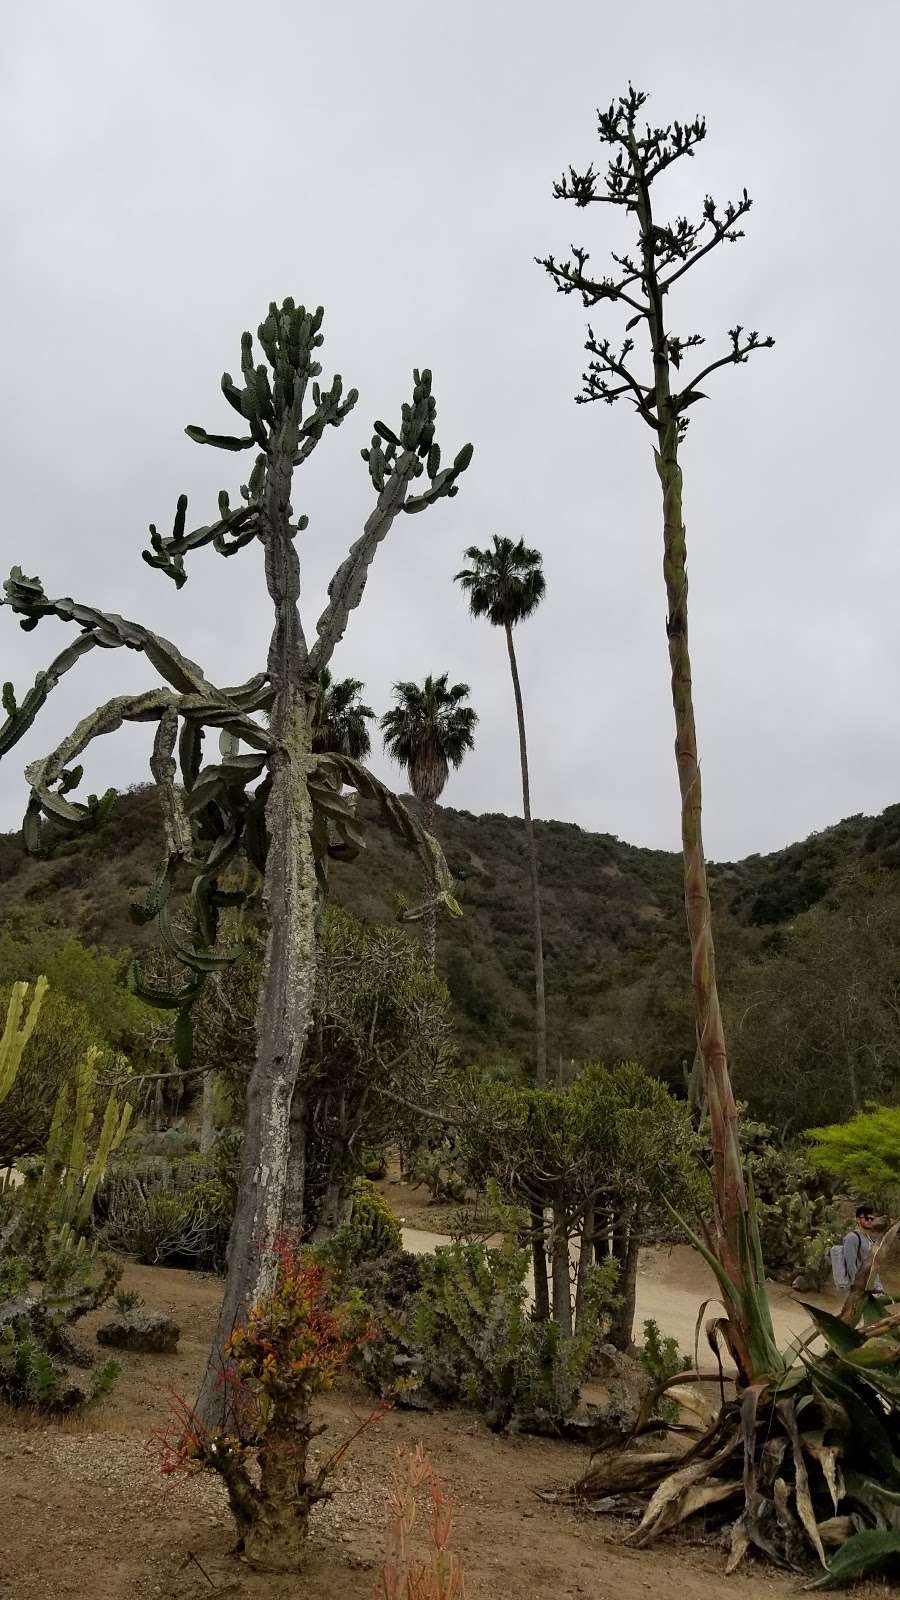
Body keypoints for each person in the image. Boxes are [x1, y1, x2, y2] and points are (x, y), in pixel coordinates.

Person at [841, 1203, 884, 1295]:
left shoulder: (868, 1238)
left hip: (874, 1288)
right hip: (863, 1291)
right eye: (866, 1218)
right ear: (857, 1219)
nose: (869, 1221)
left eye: (871, 1219)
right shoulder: (852, 1238)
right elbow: (850, 1265)